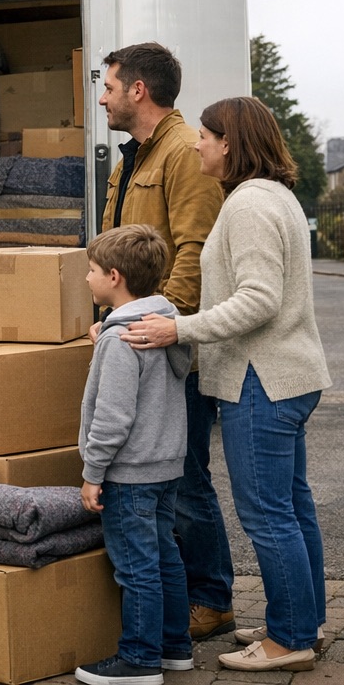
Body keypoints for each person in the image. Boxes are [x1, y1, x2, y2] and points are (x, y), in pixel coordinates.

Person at [123, 96, 332, 672]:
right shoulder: (273, 197)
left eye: (207, 137)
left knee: (268, 514)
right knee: (291, 507)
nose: (197, 144)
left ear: (230, 144)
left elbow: (259, 299)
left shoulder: (246, 205)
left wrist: (178, 328)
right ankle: (302, 622)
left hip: (262, 379)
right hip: (287, 375)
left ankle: (289, 641)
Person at [96, 42, 235, 642]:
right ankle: (172, 601)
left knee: (186, 477)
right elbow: (115, 248)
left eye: (107, 85)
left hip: (170, 347)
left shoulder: (182, 152)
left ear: (137, 91)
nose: (101, 96)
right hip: (137, 335)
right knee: (165, 480)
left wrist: (157, 325)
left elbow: (194, 251)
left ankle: (212, 597)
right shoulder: (131, 156)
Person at [75, 224, 194, 685]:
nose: (86, 279)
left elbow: (113, 416)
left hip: (129, 474)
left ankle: (140, 661)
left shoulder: (120, 340)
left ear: (114, 276)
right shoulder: (161, 325)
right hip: (165, 467)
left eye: (91, 271)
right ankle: (174, 647)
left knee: (135, 568)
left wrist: (93, 472)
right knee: (165, 558)